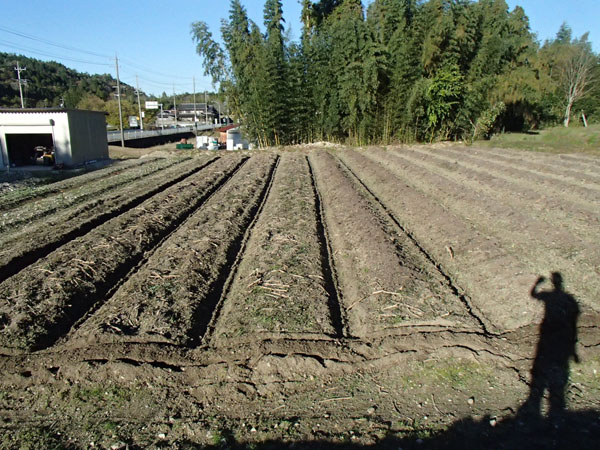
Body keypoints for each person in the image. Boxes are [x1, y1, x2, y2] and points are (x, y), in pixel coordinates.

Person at [520, 273, 580, 418]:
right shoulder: (568, 299)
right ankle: (556, 405)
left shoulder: (552, 296)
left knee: (546, 354)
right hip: (557, 331)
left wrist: (537, 283)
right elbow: (574, 317)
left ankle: (547, 397)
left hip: (549, 330)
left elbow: (533, 295)